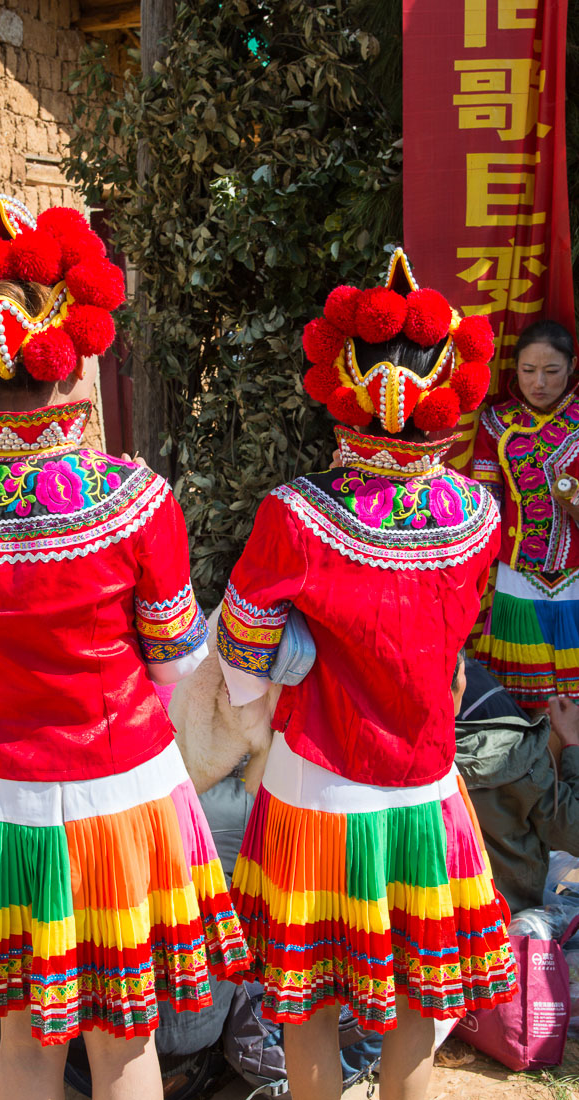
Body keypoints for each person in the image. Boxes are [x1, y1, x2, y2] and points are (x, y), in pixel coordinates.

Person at [0, 194, 250, 1100]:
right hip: (122, 792)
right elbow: (176, 657)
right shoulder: (133, 497)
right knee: (124, 1042)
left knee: (23, 1041)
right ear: (77, 344)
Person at [216, 249, 517, 1100]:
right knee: (420, 1000)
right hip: (425, 788)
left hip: (316, 788)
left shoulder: (297, 512)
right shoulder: (478, 515)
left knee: (308, 999)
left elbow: (240, 651)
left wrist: (285, 666)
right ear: (445, 394)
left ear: (342, 387)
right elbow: (456, 639)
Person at [473, 319, 579, 707]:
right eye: (528, 370)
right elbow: (485, 500)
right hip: (516, 574)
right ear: (514, 369)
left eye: (551, 371)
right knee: (521, 694)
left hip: (576, 572)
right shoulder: (496, 422)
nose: (539, 383)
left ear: (570, 367)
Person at [453, 655, 579, 914]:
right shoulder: (518, 752)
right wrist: (571, 744)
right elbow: (574, 831)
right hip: (509, 917)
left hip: (428, 920)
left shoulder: (401, 745)